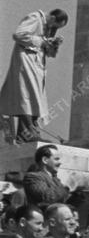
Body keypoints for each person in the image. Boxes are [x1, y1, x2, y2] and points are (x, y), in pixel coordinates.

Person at [0, 8, 68, 142]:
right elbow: (18, 35)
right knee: (27, 96)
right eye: (55, 26)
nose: (54, 29)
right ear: (53, 19)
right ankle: (27, 132)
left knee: (36, 99)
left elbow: (49, 53)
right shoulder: (35, 18)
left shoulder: (47, 28)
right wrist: (41, 41)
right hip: (25, 62)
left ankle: (25, 133)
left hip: (37, 67)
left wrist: (53, 45)